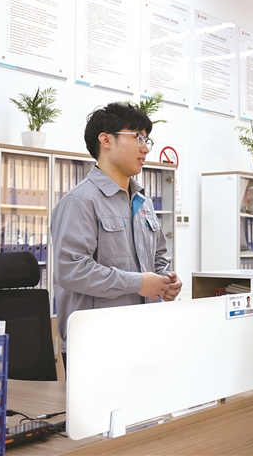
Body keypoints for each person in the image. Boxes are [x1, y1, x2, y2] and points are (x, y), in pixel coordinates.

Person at [52, 102, 182, 368]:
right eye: (138, 137)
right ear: (106, 140)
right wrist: (138, 283)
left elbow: (158, 257)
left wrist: (166, 280)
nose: (145, 148)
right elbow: (72, 270)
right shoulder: (80, 201)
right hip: (97, 342)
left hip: (145, 336)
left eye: (147, 140)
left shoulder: (143, 203)